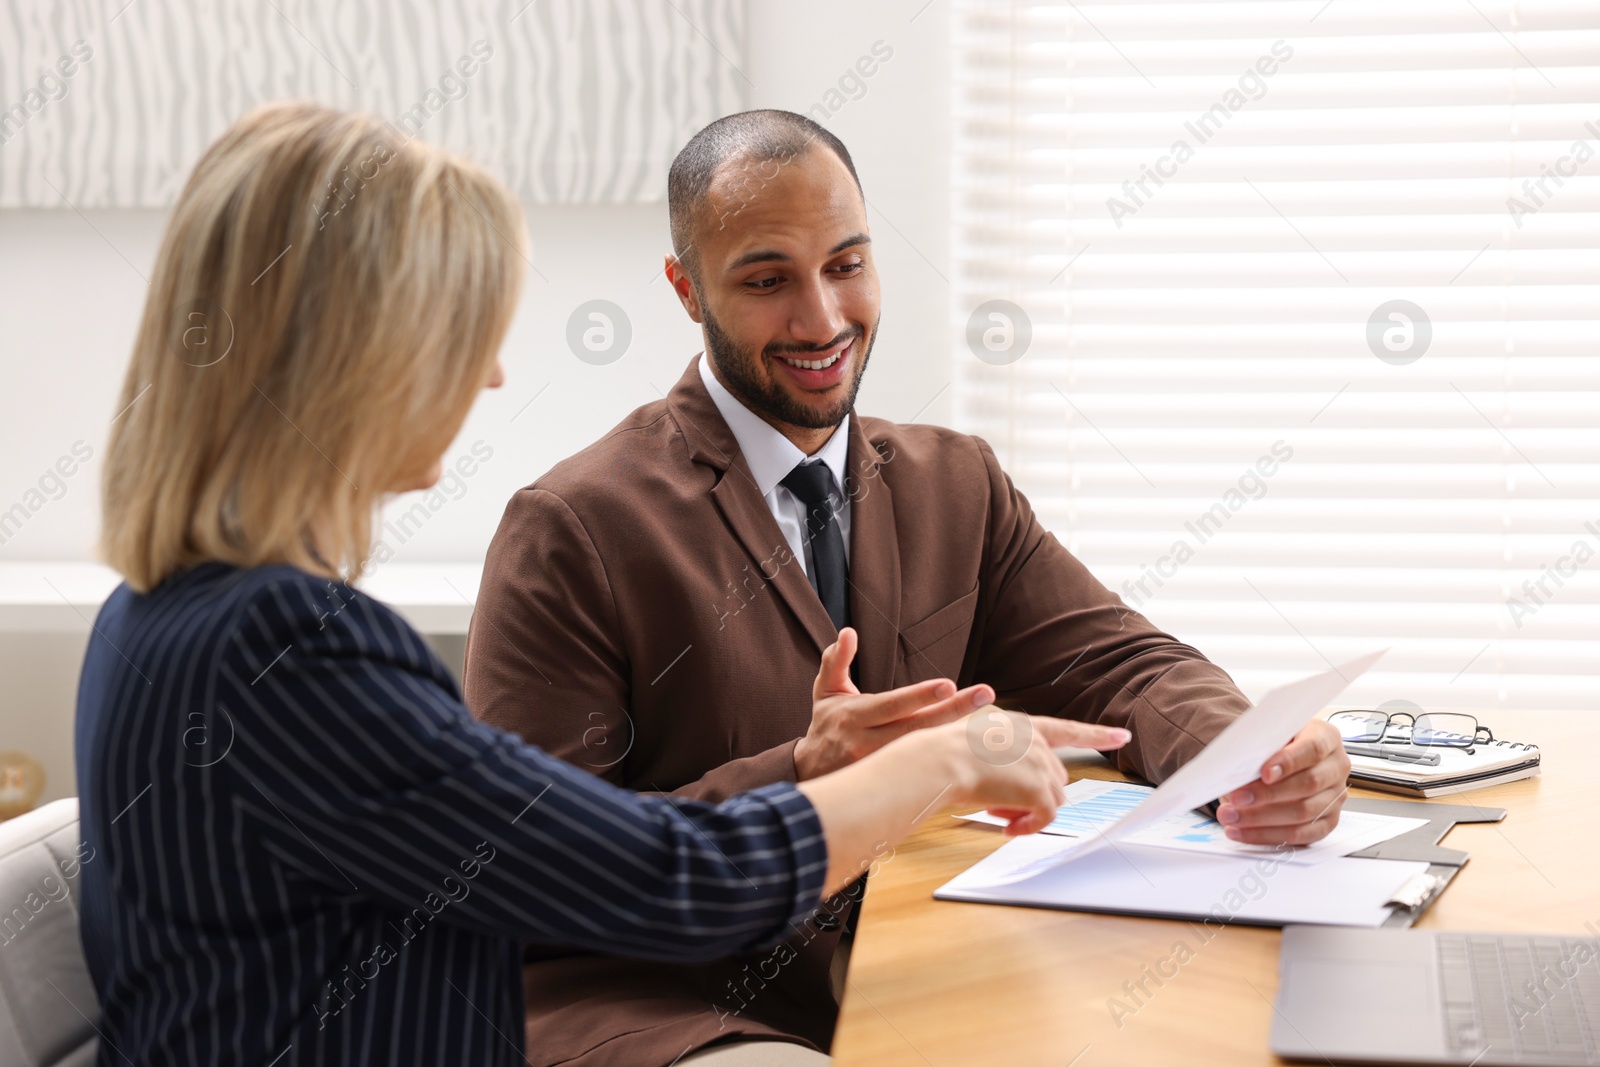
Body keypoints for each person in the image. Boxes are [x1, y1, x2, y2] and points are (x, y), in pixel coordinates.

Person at [73, 102, 1126, 1067]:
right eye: (460, 331)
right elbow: (662, 878)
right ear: (348, 352)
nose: (487, 376)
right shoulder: (290, 649)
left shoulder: (168, 615)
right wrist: (939, 762)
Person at [463, 109, 1354, 1066]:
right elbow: (534, 867)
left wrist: (1250, 758)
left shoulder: (953, 481)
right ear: (687, 290)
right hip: (671, 1005)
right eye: (767, 281)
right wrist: (803, 773)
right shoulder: (573, 527)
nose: (821, 319)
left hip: (916, 952)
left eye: (846, 265)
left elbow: (1116, 662)